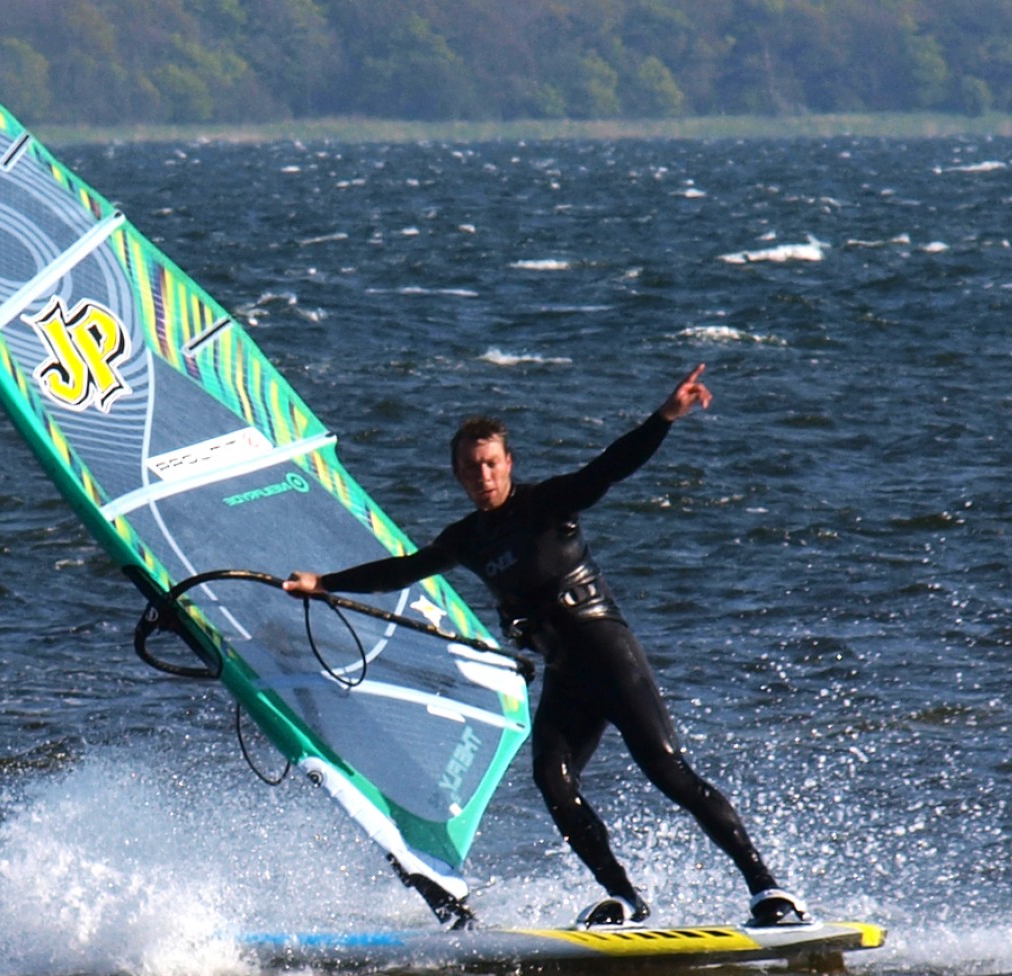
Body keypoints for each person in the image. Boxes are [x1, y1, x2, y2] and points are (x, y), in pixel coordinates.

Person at [283, 364, 807, 929]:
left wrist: (666, 416)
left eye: (491, 463)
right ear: (457, 474)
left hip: (606, 650)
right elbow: (402, 570)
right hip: (565, 672)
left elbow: (611, 467)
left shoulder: (548, 505)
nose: (482, 475)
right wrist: (325, 584)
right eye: (470, 467)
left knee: (667, 770)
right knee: (553, 781)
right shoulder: (467, 538)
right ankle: (624, 898)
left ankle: (770, 892)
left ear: (508, 464)